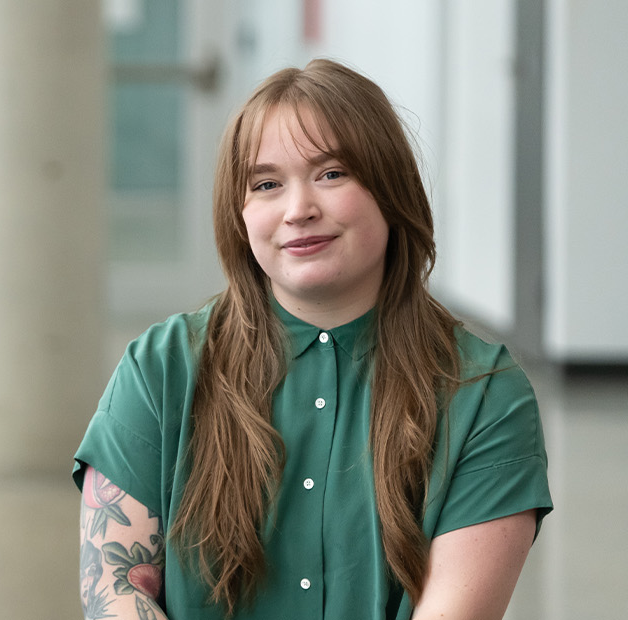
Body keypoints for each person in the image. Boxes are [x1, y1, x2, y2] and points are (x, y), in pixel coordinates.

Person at [73, 59, 552, 620]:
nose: (299, 210)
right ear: (241, 213)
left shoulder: (482, 392)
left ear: (390, 188)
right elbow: (116, 586)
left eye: (331, 174)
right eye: (267, 184)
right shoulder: (161, 368)